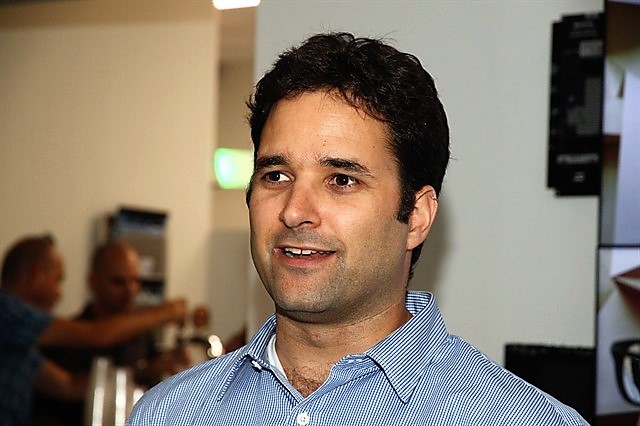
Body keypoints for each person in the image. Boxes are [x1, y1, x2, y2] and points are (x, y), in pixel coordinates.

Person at [127, 32, 588, 425]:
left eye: (342, 180)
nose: (294, 211)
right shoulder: (169, 412)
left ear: (417, 216)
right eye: (276, 175)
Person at [0, 235, 186, 426]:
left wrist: (148, 372)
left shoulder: (20, 343)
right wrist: (169, 312)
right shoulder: (6, 310)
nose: (59, 293)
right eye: (58, 280)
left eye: (135, 281)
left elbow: (70, 385)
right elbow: (98, 335)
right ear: (36, 275)